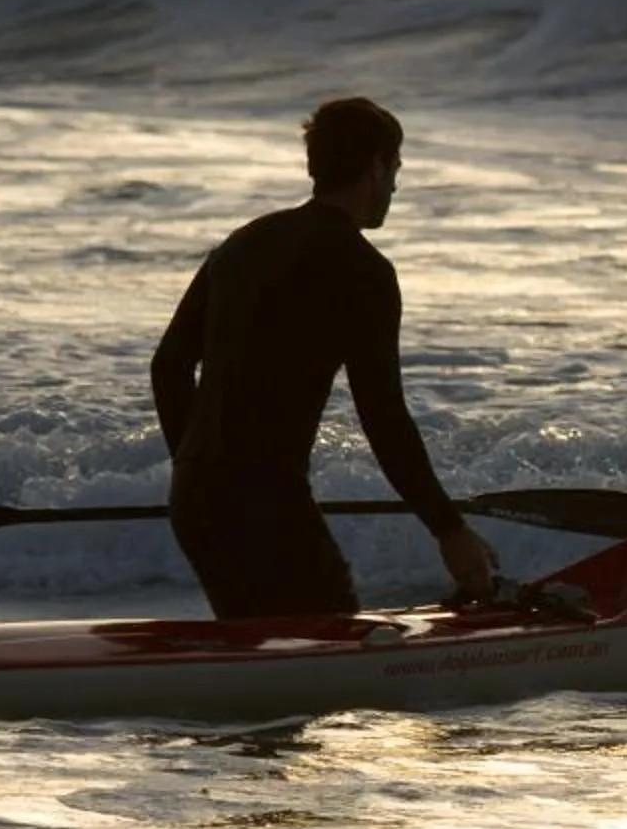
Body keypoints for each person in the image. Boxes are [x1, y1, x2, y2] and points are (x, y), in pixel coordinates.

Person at [149, 97, 499, 617]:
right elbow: (383, 416)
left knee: (258, 647)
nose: (395, 187)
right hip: (266, 501)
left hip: (193, 498)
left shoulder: (245, 243)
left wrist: (194, 467)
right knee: (327, 639)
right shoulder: (363, 271)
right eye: (396, 169)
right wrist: (449, 530)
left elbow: (168, 367)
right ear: (376, 166)